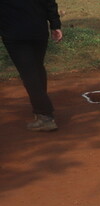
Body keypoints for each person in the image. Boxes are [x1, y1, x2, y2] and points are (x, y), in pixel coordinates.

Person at [0, 0, 62, 132]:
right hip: (38, 31)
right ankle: (40, 110)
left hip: (14, 34)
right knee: (37, 68)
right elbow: (49, 2)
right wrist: (55, 25)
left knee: (29, 74)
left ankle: (45, 115)